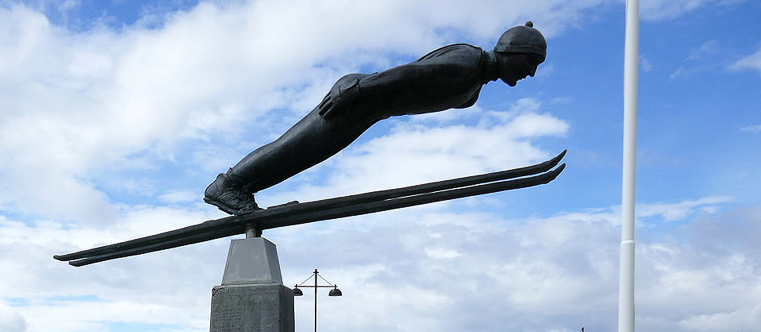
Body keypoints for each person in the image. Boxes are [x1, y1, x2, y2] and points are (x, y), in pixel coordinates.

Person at [204, 23, 548, 216]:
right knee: (293, 146)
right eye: (530, 62)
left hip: (369, 109)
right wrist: (357, 89)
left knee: (306, 156)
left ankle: (241, 191)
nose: (531, 72)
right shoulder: (467, 64)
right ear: (511, 52)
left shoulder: (474, 83)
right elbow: (407, 74)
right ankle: (227, 184)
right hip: (360, 97)